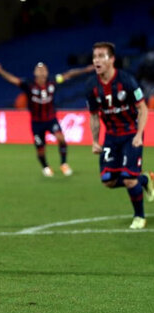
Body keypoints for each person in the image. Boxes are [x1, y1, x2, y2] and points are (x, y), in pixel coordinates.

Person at [86, 42, 154, 229]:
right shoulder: (91, 86)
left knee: (129, 178)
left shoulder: (127, 81)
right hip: (111, 136)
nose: (96, 60)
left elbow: (143, 109)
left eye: (101, 56)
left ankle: (139, 216)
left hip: (131, 133)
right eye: (95, 56)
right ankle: (145, 180)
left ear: (112, 59)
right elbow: (93, 116)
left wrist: (139, 134)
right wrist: (94, 141)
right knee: (108, 181)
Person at [0, 60, 93, 177]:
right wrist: (0, 71)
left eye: (44, 69)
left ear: (47, 72)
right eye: (39, 69)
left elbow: (68, 74)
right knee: (40, 149)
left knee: (61, 139)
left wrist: (85, 70)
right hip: (36, 123)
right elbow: (13, 80)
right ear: (35, 73)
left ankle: (64, 164)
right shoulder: (28, 84)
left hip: (50, 119)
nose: (41, 71)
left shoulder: (53, 81)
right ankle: (45, 167)